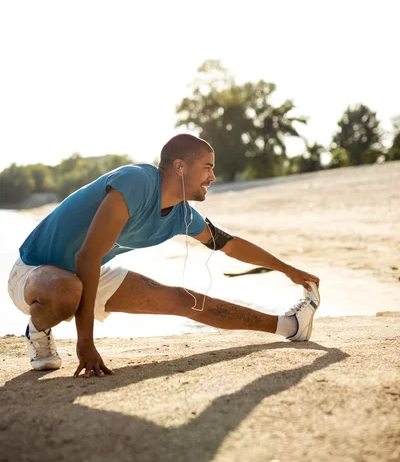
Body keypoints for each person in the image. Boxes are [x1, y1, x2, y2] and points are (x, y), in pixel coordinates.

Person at [8, 134, 320, 378]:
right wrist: (85, 342)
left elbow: (230, 244)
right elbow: (87, 256)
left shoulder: (182, 214)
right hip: (34, 273)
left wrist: (286, 269)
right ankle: (39, 330)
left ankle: (290, 326)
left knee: (184, 300)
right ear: (180, 167)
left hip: (86, 273)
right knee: (68, 290)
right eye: (208, 167)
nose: (212, 177)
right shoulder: (136, 182)